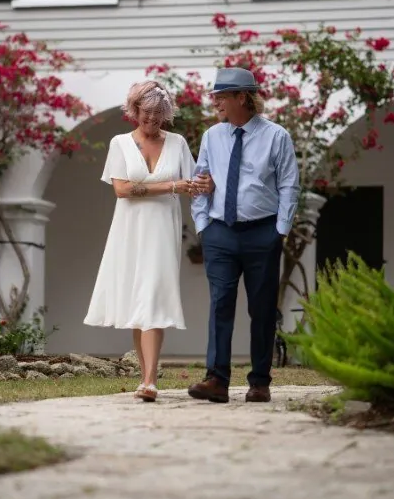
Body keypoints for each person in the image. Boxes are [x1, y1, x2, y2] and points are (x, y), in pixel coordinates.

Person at [84, 81, 213, 402]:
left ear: (166, 114)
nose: (152, 120)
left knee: (153, 296)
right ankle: (146, 379)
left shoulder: (178, 142)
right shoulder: (120, 143)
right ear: (134, 112)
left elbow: (194, 182)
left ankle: (150, 380)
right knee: (138, 301)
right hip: (129, 230)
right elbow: (123, 189)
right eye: (147, 113)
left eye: (159, 114)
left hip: (161, 230)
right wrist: (172, 186)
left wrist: (206, 184)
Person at [189, 67, 300, 404]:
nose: (216, 102)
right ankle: (217, 380)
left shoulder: (276, 136)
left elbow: (289, 185)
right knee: (220, 304)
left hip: (261, 233)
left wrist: (279, 231)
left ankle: (260, 382)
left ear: (242, 97)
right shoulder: (213, 136)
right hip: (220, 233)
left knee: (262, 309)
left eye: (221, 96)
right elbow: (199, 181)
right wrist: (203, 226)